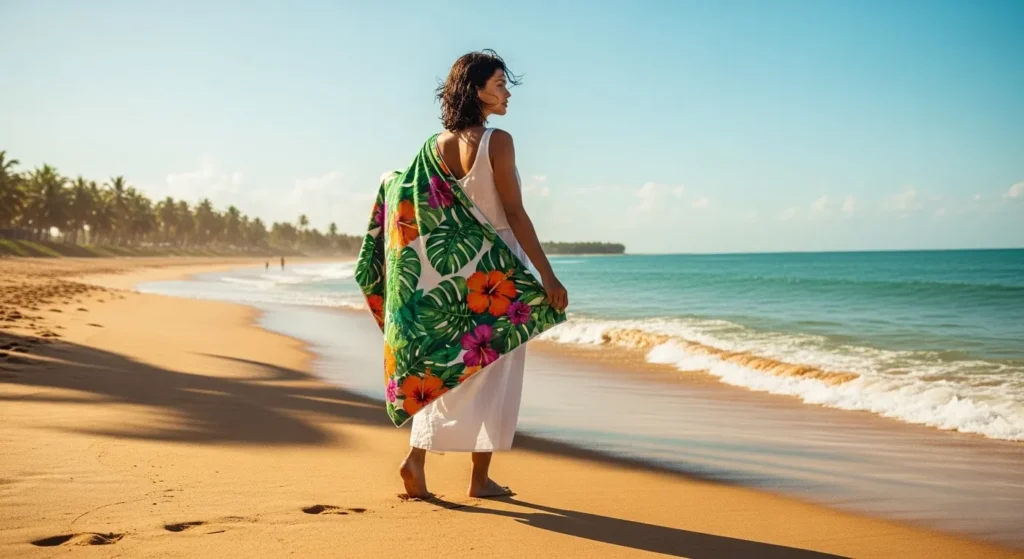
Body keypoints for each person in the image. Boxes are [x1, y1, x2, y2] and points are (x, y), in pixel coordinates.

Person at [399, 50, 569, 499]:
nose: (506, 92)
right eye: (499, 84)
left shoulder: (432, 147)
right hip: (498, 272)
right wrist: (548, 277)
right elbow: (513, 212)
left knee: (449, 367)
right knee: (496, 370)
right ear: (476, 90)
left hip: (452, 274)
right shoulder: (498, 140)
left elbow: (419, 213)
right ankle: (479, 479)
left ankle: (416, 460)